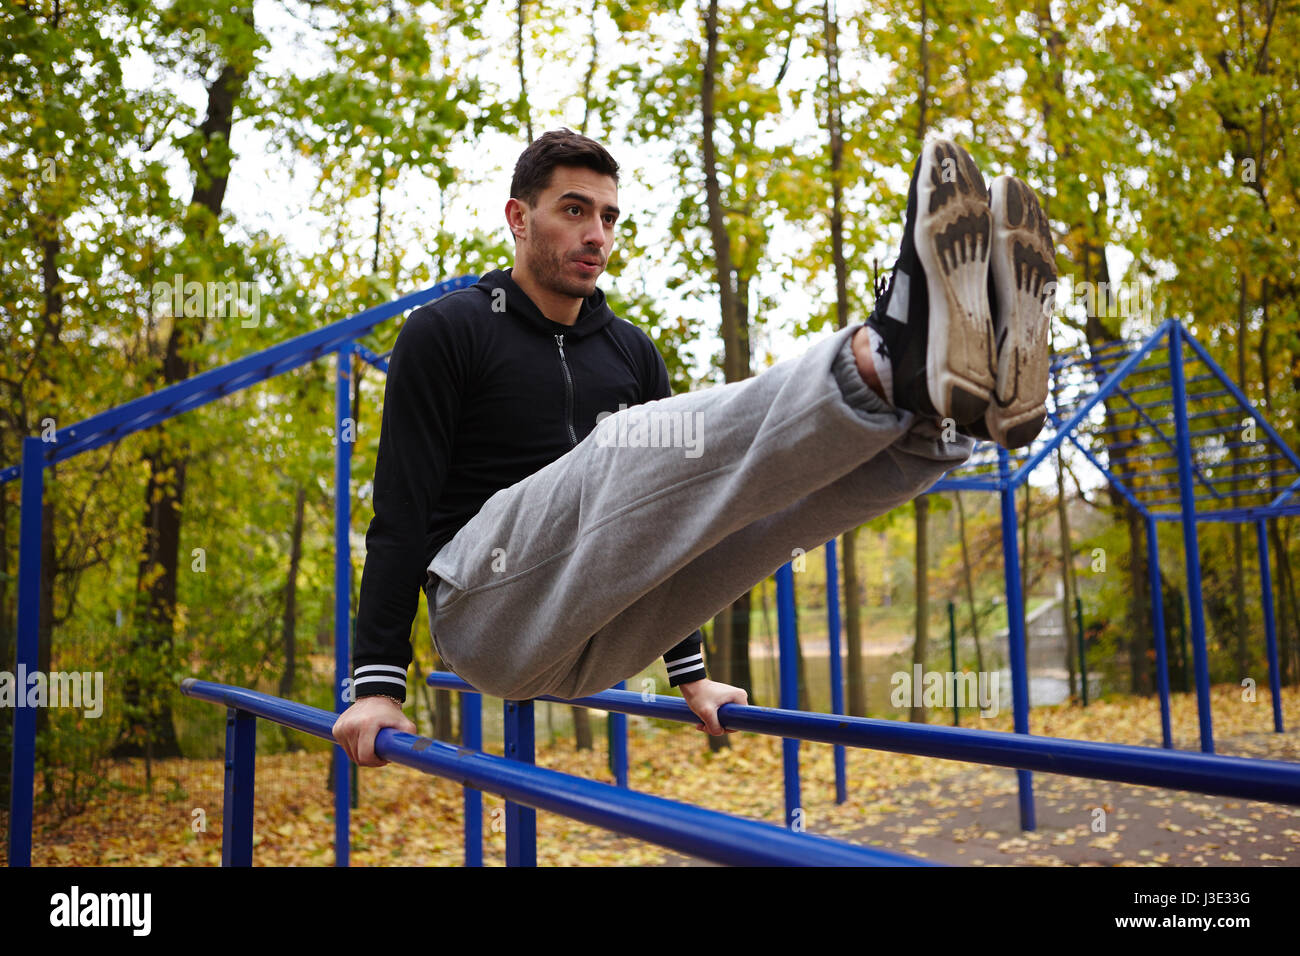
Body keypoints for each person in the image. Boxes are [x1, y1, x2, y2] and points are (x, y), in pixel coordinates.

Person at [332, 129, 1055, 768]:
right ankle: (882, 357)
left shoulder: (630, 353)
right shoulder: (447, 332)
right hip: (487, 616)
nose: (597, 235)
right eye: (574, 210)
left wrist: (692, 674)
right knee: (627, 445)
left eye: (609, 217)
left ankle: (939, 421)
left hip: (596, 639)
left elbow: (682, 515)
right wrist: (376, 684)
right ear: (519, 219)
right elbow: (401, 509)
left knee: (763, 519)